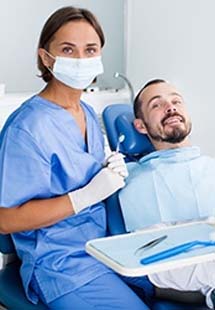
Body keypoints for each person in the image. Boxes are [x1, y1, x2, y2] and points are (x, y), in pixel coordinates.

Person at [0, 6, 150, 310]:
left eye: (90, 49)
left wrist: (108, 170)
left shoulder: (88, 113)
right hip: (62, 265)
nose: (81, 60)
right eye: (68, 50)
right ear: (46, 57)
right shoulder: (28, 127)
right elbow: (6, 220)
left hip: (103, 250)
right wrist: (85, 196)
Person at [119, 78, 215, 309]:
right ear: (141, 126)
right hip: (167, 260)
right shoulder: (130, 177)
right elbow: (148, 243)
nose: (170, 107)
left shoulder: (209, 165)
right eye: (156, 104)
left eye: (176, 101)